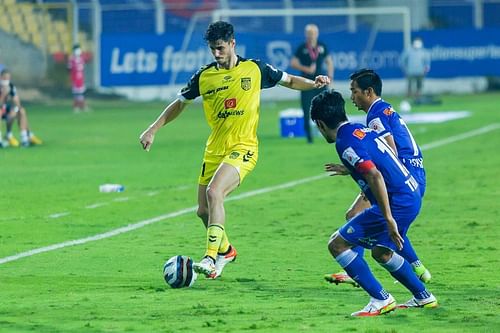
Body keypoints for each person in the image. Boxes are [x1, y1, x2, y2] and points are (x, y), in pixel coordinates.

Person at [139, 21, 330, 279]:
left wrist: (314, 83)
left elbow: (290, 80)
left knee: (214, 192)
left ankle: (210, 256)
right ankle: (226, 250)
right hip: (214, 150)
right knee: (203, 211)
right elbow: (180, 103)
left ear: (232, 43)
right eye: (212, 50)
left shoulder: (255, 69)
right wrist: (153, 129)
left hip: (244, 146)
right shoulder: (204, 76)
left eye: (220, 48)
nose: (216, 54)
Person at [311, 89, 437, 316]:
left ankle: (381, 299)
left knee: (336, 245)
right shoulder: (359, 128)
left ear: (320, 124)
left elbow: (375, 176)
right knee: (381, 252)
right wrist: (350, 168)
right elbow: (384, 159)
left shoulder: (343, 142)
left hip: (396, 202)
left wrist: (388, 218)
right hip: (411, 194)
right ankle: (424, 297)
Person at [324, 68, 431, 286]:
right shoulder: (384, 108)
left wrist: (366, 171)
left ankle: (355, 266)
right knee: (381, 224)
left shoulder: (374, 116)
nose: (352, 97)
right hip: (414, 173)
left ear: (368, 91)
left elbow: (389, 151)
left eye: (354, 91)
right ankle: (417, 268)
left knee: (362, 217)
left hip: (402, 177)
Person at [290, 23, 334, 143]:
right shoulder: (302, 48)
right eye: (309, 34)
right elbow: (293, 63)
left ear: (317, 34)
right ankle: (309, 137)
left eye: (313, 33)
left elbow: (329, 61)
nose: (311, 36)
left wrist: (330, 76)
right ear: (306, 35)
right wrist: (306, 69)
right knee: (306, 109)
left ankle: (329, 133)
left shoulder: (322, 46)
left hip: (321, 83)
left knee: (325, 109)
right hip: (306, 83)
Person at [0, 69, 42, 148]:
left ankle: (25, 138)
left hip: (5, 109)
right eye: (5, 78)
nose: (6, 80)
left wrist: (17, 105)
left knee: (21, 111)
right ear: (0, 78)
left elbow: (17, 101)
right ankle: (2, 139)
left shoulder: (11, 86)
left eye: (8, 78)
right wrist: (3, 94)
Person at [68, 44, 87, 113]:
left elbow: (82, 69)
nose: (78, 51)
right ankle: (76, 107)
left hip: (81, 78)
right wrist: (71, 78)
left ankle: (82, 106)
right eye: (77, 49)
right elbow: (69, 69)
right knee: (76, 93)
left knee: (81, 93)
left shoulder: (81, 59)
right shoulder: (72, 59)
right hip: (75, 78)